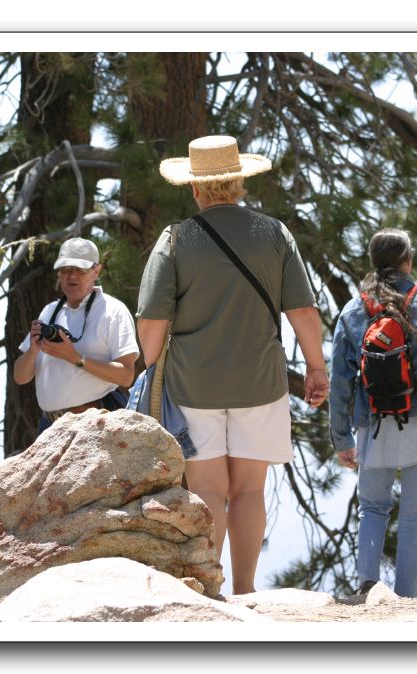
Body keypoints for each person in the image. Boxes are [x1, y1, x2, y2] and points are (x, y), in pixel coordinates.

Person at [136, 135, 329, 595]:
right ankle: (245, 590)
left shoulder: (176, 239)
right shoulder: (274, 234)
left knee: (207, 492)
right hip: (260, 383)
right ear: (239, 182)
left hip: (193, 385)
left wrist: (151, 364)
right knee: (248, 491)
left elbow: (151, 321)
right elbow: (302, 312)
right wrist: (317, 369)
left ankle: (210, 589)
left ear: (196, 189)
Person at [329, 228, 417, 598]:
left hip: (373, 423)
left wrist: (341, 437)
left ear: (374, 262)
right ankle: (406, 597)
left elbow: (340, 380)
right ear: (408, 260)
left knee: (372, 509)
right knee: (414, 517)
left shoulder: (353, 310)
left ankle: (367, 588)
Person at [14, 237, 139, 436]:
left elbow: (126, 375)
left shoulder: (113, 311)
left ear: (96, 271)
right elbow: (20, 377)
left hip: (97, 423)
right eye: (65, 269)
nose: (72, 275)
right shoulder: (49, 312)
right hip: (50, 426)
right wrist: (33, 351)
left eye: (80, 270)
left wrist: (74, 357)